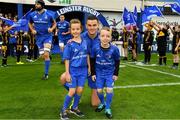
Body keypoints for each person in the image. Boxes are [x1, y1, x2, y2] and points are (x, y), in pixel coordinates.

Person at [60, 15, 101, 107]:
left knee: (95, 104)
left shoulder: (102, 37)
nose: (92, 27)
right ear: (86, 26)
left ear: (98, 25)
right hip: (81, 66)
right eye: (89, 25)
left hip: (95, 68)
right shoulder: (80, 36)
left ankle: (100, 88)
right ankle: (74, 93)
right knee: (63, 78)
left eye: (94, 25)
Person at [60, 19, 90, 120]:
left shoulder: (85, 42)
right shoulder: (69, 44)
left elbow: (87, 56)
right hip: (73, 70)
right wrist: (67, 73)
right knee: (72, 91)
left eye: (77, 29)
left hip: (83, 70)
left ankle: (74, 107)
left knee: (80, 90)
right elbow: (67, 59)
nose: (75, 31)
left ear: (81, 29)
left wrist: (89, 67)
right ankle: (63, 110)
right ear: (71, 30)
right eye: (73, 29)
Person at [91, 27, 120, 119]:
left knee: (109, 90)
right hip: (99, 72)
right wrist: (93, 73)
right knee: (99, 91)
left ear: (111, 38)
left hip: (109, 73)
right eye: (103, 35)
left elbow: (117, 61)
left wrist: (115, 74)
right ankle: (102, 103)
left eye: (108, 36)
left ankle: (107, 108)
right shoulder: (95, 48)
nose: (105, 38)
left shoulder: (114, 49)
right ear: (99, 36)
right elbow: (92, 60)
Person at [29, 0, 56, 80]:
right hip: (38, 38)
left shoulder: (49, 15)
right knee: (43, 56)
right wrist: (32, 30)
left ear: (42, 5)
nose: (36, 6)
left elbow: (55, 23)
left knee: (46, 55)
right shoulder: (32, 15)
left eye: (37, 4)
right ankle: (48, 53)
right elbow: (29, 23)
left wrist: (51, 29)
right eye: (35, 4)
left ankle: (46, 74)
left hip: (47, 36)